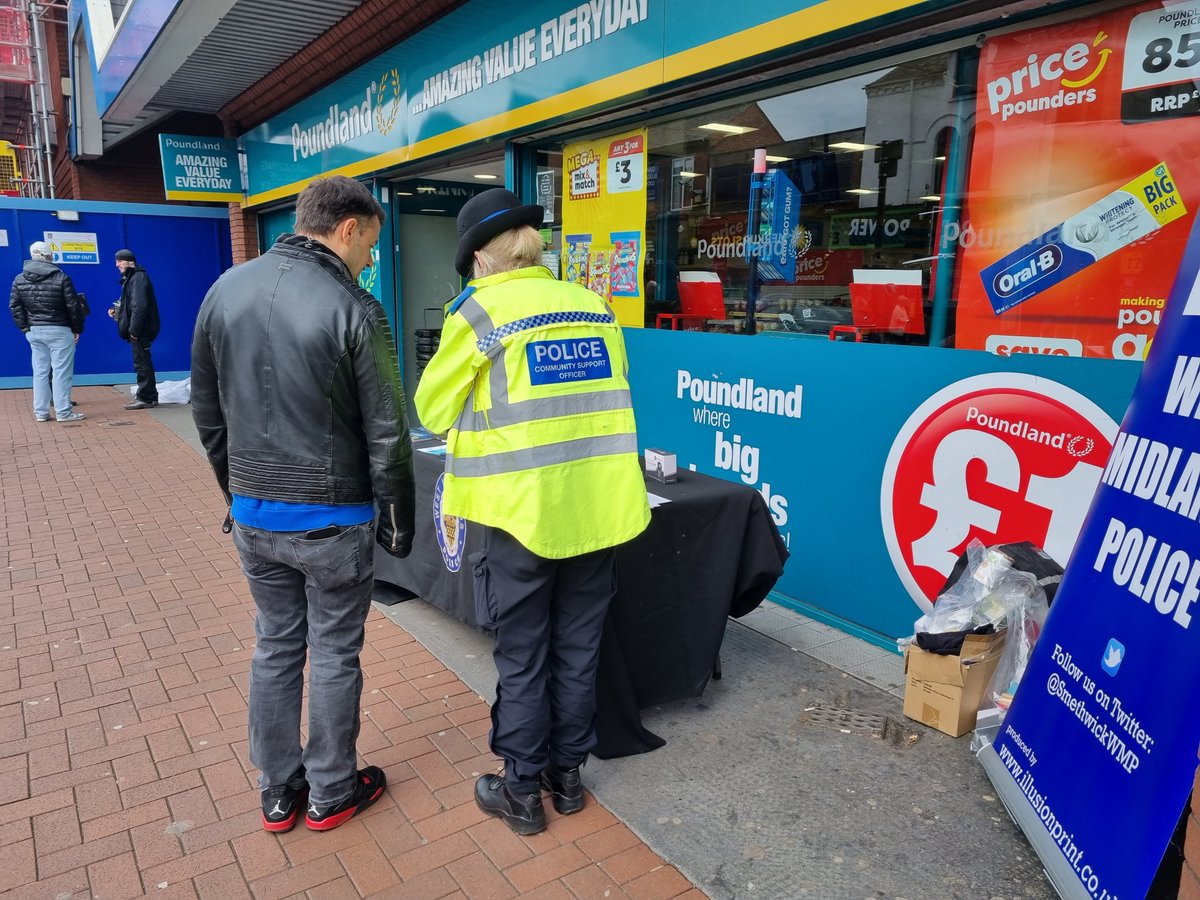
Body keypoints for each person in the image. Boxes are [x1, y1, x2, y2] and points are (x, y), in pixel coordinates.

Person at [414, 188, 650, 836]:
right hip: (598, 512)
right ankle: (566, 780)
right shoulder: (594, 307)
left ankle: (519, 791)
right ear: (532, 247)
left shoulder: (480, 312)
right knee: (578, 650)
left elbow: (431, 410)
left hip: (521, 519)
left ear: (481, 261)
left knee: (524, 656)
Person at [190, 175, 416, 833]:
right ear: (347, 228)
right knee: (336, 650)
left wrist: (237, 489)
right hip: (335, 520)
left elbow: (207, 411)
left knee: (276, 645)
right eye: (370, 245)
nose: (370, 260)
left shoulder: (223, 291)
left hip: (256, 515)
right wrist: (398, 521)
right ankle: (331, 790)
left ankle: (278, 789)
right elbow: (388, 430)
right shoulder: (356, 307)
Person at [10, 241, 87, 422]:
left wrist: (25, 328)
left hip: (35, 331)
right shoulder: (61, 277)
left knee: (40, 373)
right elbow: (73, 306)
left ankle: (41, 413)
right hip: (60, 330)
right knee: (61, 372)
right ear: (48, 255)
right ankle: (63, 412)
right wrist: (77, 328)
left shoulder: (19, 279)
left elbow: (15, 306)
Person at [109, 248, 160, 410]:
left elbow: (140, 306)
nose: (117, 264)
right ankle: (148, 396)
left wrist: (134, 330)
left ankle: (146, 397)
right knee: (141, 361)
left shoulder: (138, 277)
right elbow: (132, 305)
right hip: (137, 328)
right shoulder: (132, 278)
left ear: (130, 262)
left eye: (120, 261)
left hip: (140, 330)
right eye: (116, 261)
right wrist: (117, 311)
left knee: (142, 362)